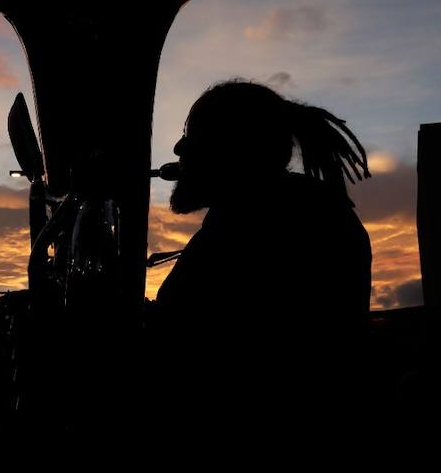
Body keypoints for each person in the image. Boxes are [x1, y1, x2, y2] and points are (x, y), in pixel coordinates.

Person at [151, 80, 372, 423]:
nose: (180, 147)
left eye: (193, 134)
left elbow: (193, 348)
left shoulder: (258, 223)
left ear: (234, 146)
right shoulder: (271, 211)